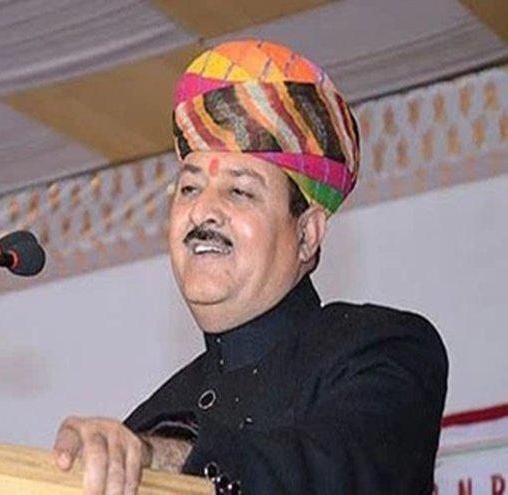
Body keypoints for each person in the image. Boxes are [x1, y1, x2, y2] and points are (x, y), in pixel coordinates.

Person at [52, 39, 448, 495]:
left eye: (239, 191)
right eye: (189, 189)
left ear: (307, 233)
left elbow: (336, 472)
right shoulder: (150, 418)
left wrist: (167, 462)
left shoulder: (382, 349)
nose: (202, 212)